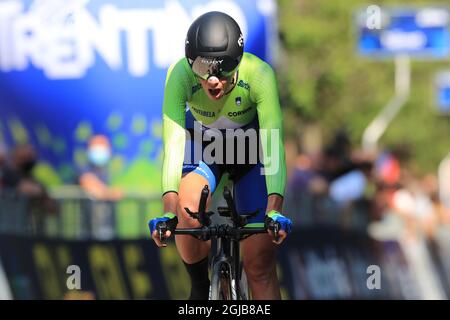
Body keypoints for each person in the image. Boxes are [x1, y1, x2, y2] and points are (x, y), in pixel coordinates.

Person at [148, 11, 292, 300]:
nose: (213, 80)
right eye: (202, 68)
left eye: (223, 70)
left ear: (237, 62)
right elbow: (174, 143)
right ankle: (200, 287)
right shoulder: (179, 75)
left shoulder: (259, 74)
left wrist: (274, 207)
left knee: (260, 266)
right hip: (204, 148)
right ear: (191, 62)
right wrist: (167, 210)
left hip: (251, 153)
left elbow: (273, 143)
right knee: (187, 212)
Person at [78, 135, 123, 201]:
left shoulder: (106, 171)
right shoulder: (83, 169)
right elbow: (88, 182)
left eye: (102, 145)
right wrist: (110, 193)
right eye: (95, 146)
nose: (99, 149)